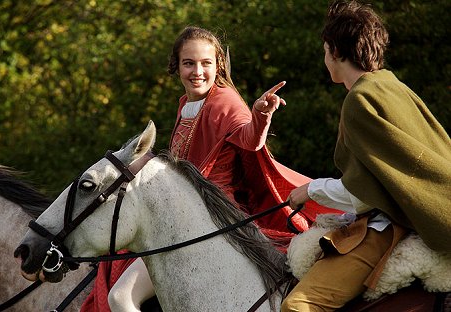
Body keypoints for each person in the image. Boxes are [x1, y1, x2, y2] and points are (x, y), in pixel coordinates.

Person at [80, 26, 340, 311]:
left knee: (121, 298)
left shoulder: (224, 101)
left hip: (210, 222)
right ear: (176, 67)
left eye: (206, 63)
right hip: (183, 219)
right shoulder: (186, 105)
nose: (198, 71)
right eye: (188, 63)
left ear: (218, 65)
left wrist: (261, 116)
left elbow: (248, 137)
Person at [281, 1, 451, 311]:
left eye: (324, 50)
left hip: (389, 225)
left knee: (298, 306)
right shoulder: (390, 84)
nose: (324, 58)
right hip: (406, 216)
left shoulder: (360, 100)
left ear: (336, 51)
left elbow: (366, 195)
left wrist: (310, 190)